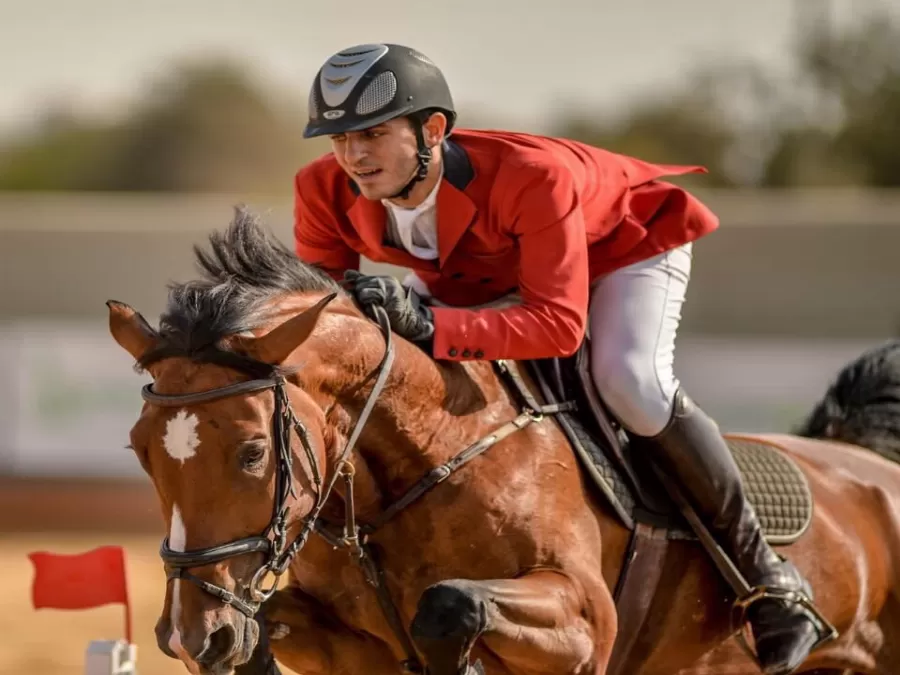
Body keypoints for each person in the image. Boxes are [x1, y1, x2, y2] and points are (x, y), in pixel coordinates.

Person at [292, 43, 827, 674]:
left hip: (624, 250)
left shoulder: (531, 175)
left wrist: (427, 324)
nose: (354, 156)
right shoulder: (322, 188)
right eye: (340, 139)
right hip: (478, 274)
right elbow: (318, 327)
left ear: (432, 130)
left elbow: (558, 324)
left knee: (630, 383)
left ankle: (768, 580)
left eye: (374, 134)